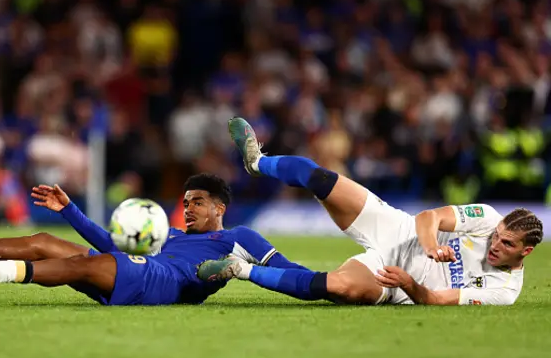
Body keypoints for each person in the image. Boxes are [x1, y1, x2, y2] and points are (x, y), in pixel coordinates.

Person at [197, 117, 543, 306]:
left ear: (525, 251)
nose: (496, 244)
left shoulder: (504, 290)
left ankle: (239, 269)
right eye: (498, 236)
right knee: (320, 178)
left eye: (507, 245)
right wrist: (427, 245)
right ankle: (259, 162)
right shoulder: (489, 218)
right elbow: (430, 218)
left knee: (339, 287)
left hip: (399, 281)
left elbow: (437, 299)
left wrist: (409, 281)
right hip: (399, 229)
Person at [0, 174, 311, 306]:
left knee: (88, 265)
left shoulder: (238, 238)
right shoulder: (170, 234)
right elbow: (112, 243)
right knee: (46, 239)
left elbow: (284, 268)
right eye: (185, 202)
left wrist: (324, 283)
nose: (188, 208)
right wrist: (68, 209)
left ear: (220, 208)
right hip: (146, 270)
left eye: (198, 202)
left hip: (168, 283)